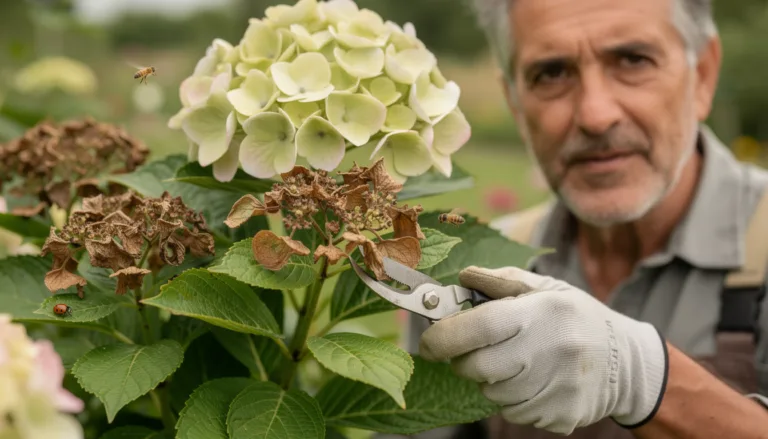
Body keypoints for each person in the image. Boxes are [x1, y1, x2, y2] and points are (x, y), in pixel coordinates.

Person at [406, 0, 768, 437]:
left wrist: (642, 377)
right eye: (552, 73)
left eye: (633, 60)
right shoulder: (466, 271)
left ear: (704, 75)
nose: (596, 116)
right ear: (516, 105)